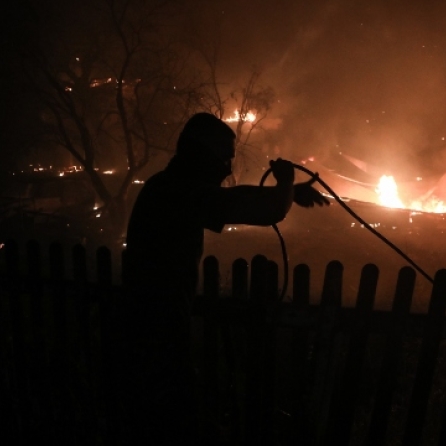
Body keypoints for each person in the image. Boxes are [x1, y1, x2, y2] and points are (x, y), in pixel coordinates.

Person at [117, 112, 329, 444]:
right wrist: (285, 185)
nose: (228, 168)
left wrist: (287, 192)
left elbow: (235, 197)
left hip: (147, 331)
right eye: (224, 158)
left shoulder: (166, 187)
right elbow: (261, 210)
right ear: (202, 154)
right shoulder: (178, 193)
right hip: (155, 339)